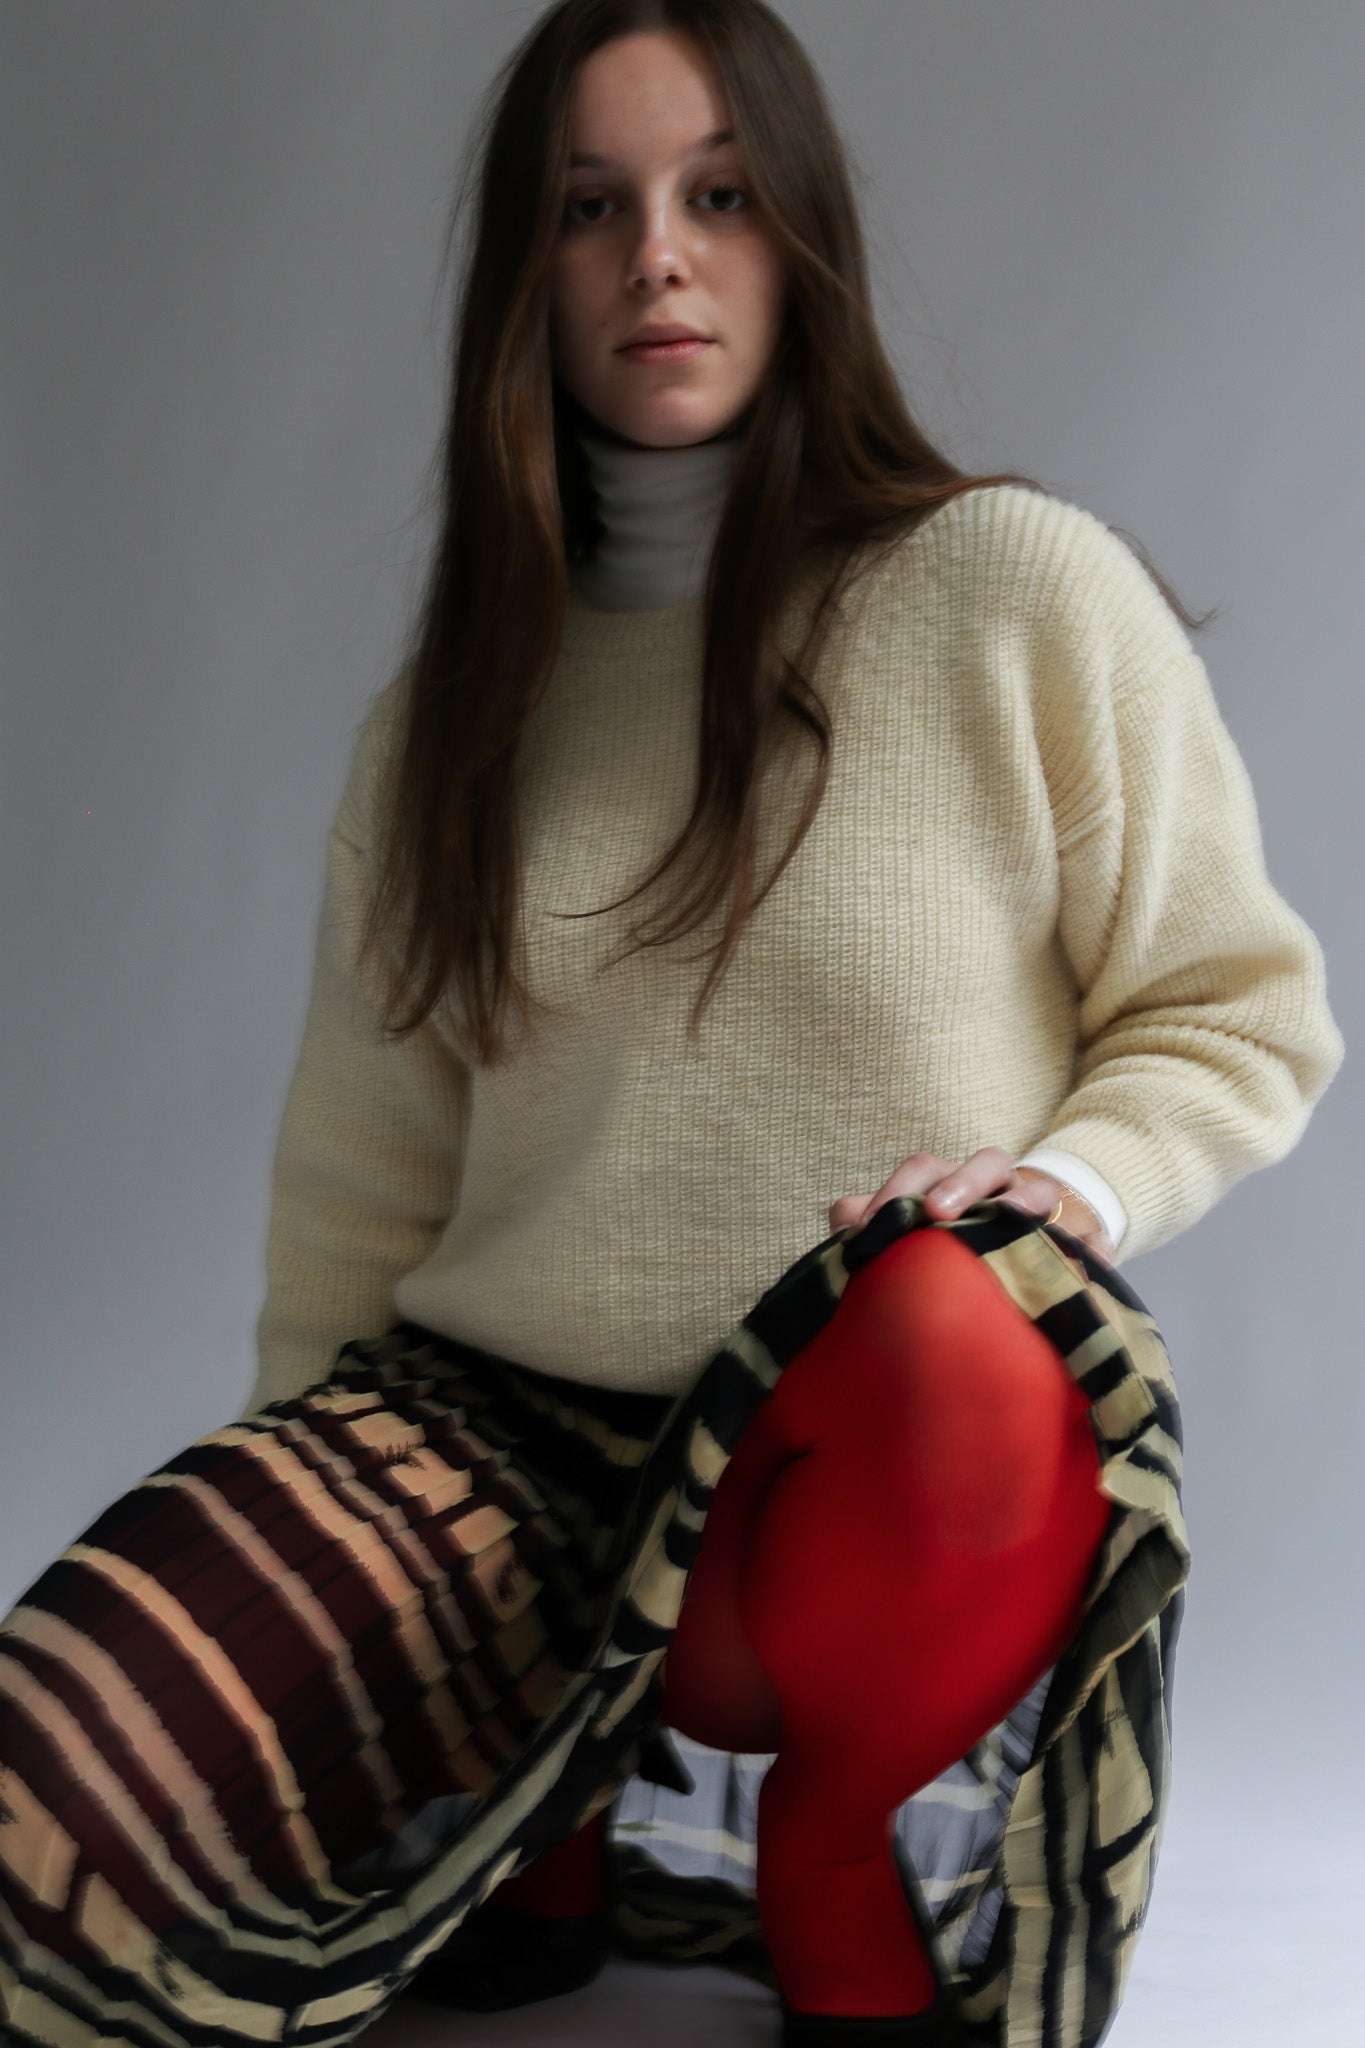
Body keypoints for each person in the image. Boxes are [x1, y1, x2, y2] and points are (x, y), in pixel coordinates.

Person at [0, 4, 1345, 2046]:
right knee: (36, 1823)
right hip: (493, 1442)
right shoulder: (452, 710)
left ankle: (826, 1850)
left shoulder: (1005, 588)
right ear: (522, 275)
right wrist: (301, 1558)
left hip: (854, 1447)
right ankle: (523, 1804)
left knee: (956, 1318)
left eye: (717, 196)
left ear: (795, 237)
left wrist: (1066, 1180)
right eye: (590, 207)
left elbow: (1229, 1009)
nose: (657, 258)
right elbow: (358, 1184)